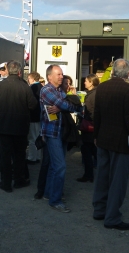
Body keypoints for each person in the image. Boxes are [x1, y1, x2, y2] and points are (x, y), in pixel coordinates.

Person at [92, 59, 129, 231]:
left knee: (102, 176)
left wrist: (96, 135)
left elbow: (96, 114)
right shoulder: (128, 89)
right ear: (128, 73)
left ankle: (99, 210)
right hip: (121, 141)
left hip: (103, 138)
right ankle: (112, 217)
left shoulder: (102, 87)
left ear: (113, 71)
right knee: (118, 180)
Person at [0, 61, 37, 192]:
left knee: (5, 155)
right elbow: (33, 105)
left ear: (7, 71)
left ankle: (6, 183)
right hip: (20, 127)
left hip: (2, 127)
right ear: (19, 72)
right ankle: (19, 180)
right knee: (19, 155)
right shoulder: (25, 86)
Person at [40, 65, 83, 213]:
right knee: (60, 167)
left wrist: (62, 107)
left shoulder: (59, 91)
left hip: (62, 132)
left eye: (62, 74)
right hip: (53, 133)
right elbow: (68, 105)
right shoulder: (46, 90)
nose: (61, 77)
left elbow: (77, 107)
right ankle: (55, 200)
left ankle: (49, 194)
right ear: (49, 76)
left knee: (54, 166)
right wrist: (64, 105)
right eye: (58, 74)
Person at [77, 73, 99, 183]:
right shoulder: (93, 93)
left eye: (86, 80)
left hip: (90, 129)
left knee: (88, 151)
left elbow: (92, 112)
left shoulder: (92, 95)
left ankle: (89, 175)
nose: (84, 82)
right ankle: (90, 174)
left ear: (91, 82)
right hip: (91, 128)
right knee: (92, 152)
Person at [26, 71, 42, 165]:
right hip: (40, 117)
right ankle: (38, 156)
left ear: (32, 78)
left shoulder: (32, 88)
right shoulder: (42, 87)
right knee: (38, 137)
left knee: (32, 139)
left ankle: (32, 158)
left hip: (33, 116)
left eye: (29, 78)